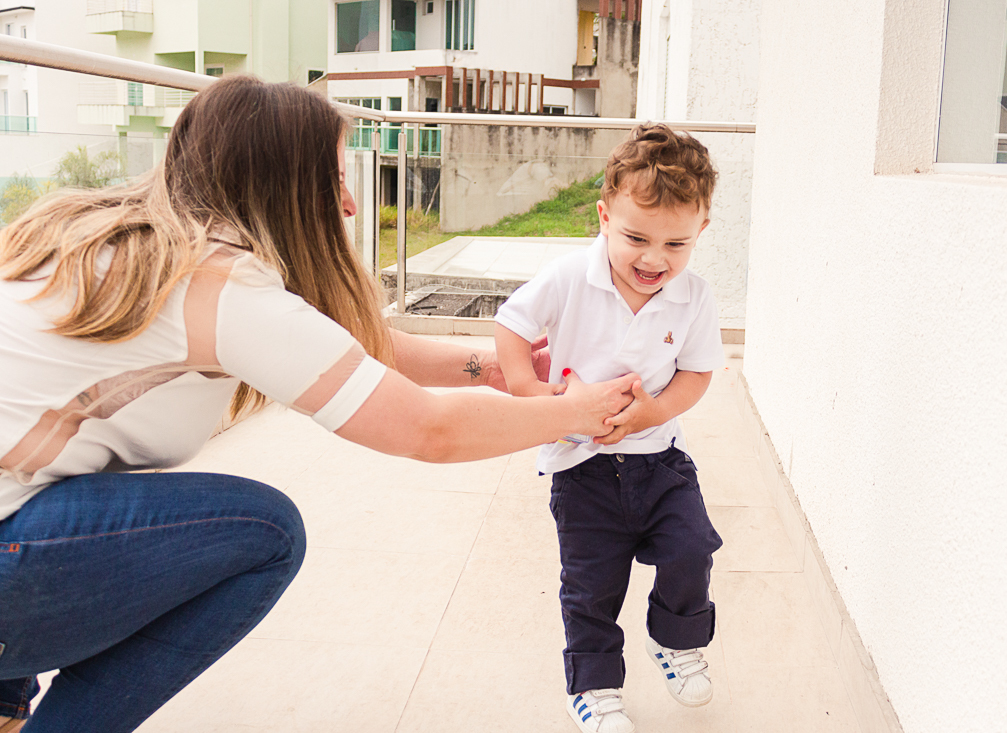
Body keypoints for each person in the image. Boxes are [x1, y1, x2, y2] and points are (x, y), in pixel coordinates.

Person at [0, 76, 638, 733]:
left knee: (48, 472)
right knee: (267, 534)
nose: (352, 203)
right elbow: (429, 429)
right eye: (335, 179)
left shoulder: (121, 235)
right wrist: (579, 411)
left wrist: (495, 370)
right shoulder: (223, 289)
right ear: (283, 186)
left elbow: (354, 348)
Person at [494, 124, 726, 733]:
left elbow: (697, 374)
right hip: (583, 469)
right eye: (636, 238)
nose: (654, 260)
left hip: (660, 461)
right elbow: (513, 324)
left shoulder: (694, 298)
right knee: (592, 585)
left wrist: (654, 411)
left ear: (701, 231)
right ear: (603, 216)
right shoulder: (571, 276)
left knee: (692, 547)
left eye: (676, 244)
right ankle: (595, 687)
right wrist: (527, 389)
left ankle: (674, 638)